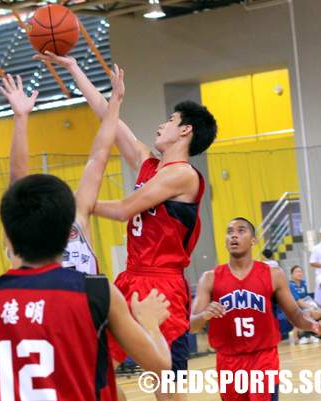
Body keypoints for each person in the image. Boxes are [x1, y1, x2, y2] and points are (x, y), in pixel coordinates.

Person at [35, 52, 217, 394]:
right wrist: (76, 70)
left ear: (185, 130)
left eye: (170, 119)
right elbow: (110, 120)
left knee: (166, 382)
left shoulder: (182, 175)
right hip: (130, 277)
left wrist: (75, 207)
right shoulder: (149, 164)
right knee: (99, 366)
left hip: (163, 287)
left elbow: (122, 209)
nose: (160, 124)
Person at [0, 174, 171, 401]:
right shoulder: (96, 292)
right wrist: (150, 323)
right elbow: (159, 365)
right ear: (67, 233)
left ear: (7, 238)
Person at [1, 63, 125, 275]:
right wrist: (20, 118)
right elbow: (17, 179)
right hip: (45, 303)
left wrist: (115, 103)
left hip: (84, 303)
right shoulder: (25, 231)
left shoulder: (76, 216)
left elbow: (99, 157)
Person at [190, 217, 321, 401]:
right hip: (228, 361)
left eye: (241, 231)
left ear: (253, 240)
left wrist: (314, 325)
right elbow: (192, 325)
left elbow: (295, 315)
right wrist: (204, 315)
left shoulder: (273, 275)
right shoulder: (209, 278)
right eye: (230, 231)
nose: (234, 235)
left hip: (263, 358)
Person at [288, 265, 321, 344]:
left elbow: (307, 298)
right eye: (296, 272)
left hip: (304, 306)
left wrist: (314, 306)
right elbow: (298, 302)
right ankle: (300, 335)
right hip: (294, 308)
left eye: (300, 271)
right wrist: (311, 307)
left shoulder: (304, 283)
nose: (299, 273)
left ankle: (306, 335)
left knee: (319, 312)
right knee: (307, 313)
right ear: (292, 274)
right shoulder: (290, 285)